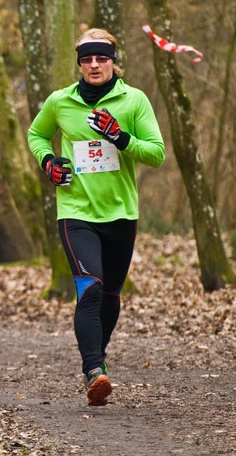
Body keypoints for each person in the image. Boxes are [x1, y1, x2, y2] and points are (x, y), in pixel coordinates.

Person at [27, 28, 165, 406]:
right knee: (89, 289)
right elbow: (36, 134)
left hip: (121, 212)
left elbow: (156, 154)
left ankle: (97, 358)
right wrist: (48, 162)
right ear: (79, 64)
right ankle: (95, 371)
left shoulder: (133, 100)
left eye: (101, 58)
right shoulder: (60, 101)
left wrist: (121, 138)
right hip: (76, 211)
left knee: (110, 294)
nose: (93, 65)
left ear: (113, 61)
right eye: (86, 59)